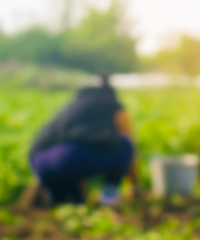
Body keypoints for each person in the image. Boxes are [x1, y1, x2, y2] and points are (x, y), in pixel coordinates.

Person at [28, 74, 139, 205]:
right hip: (71, 157)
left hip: (40, 161)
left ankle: (55, 201)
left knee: (74, 203)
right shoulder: (112, 105)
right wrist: (135, 186)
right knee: (124, 144)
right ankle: (109, 197)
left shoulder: (75, 104)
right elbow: (129, 142)